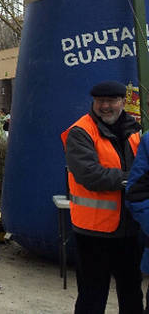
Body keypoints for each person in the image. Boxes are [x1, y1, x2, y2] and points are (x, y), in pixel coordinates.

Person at [62, 81, 142, 313]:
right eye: (100, 101)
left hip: (129, 229)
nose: (105, 106)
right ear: (94, 102)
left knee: (132, 294)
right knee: (92, 297)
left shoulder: (135, 130)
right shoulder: (81, 131)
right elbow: (90, 175)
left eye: (111, 101)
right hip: (93, 232)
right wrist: (133, 179)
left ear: (122, 102)